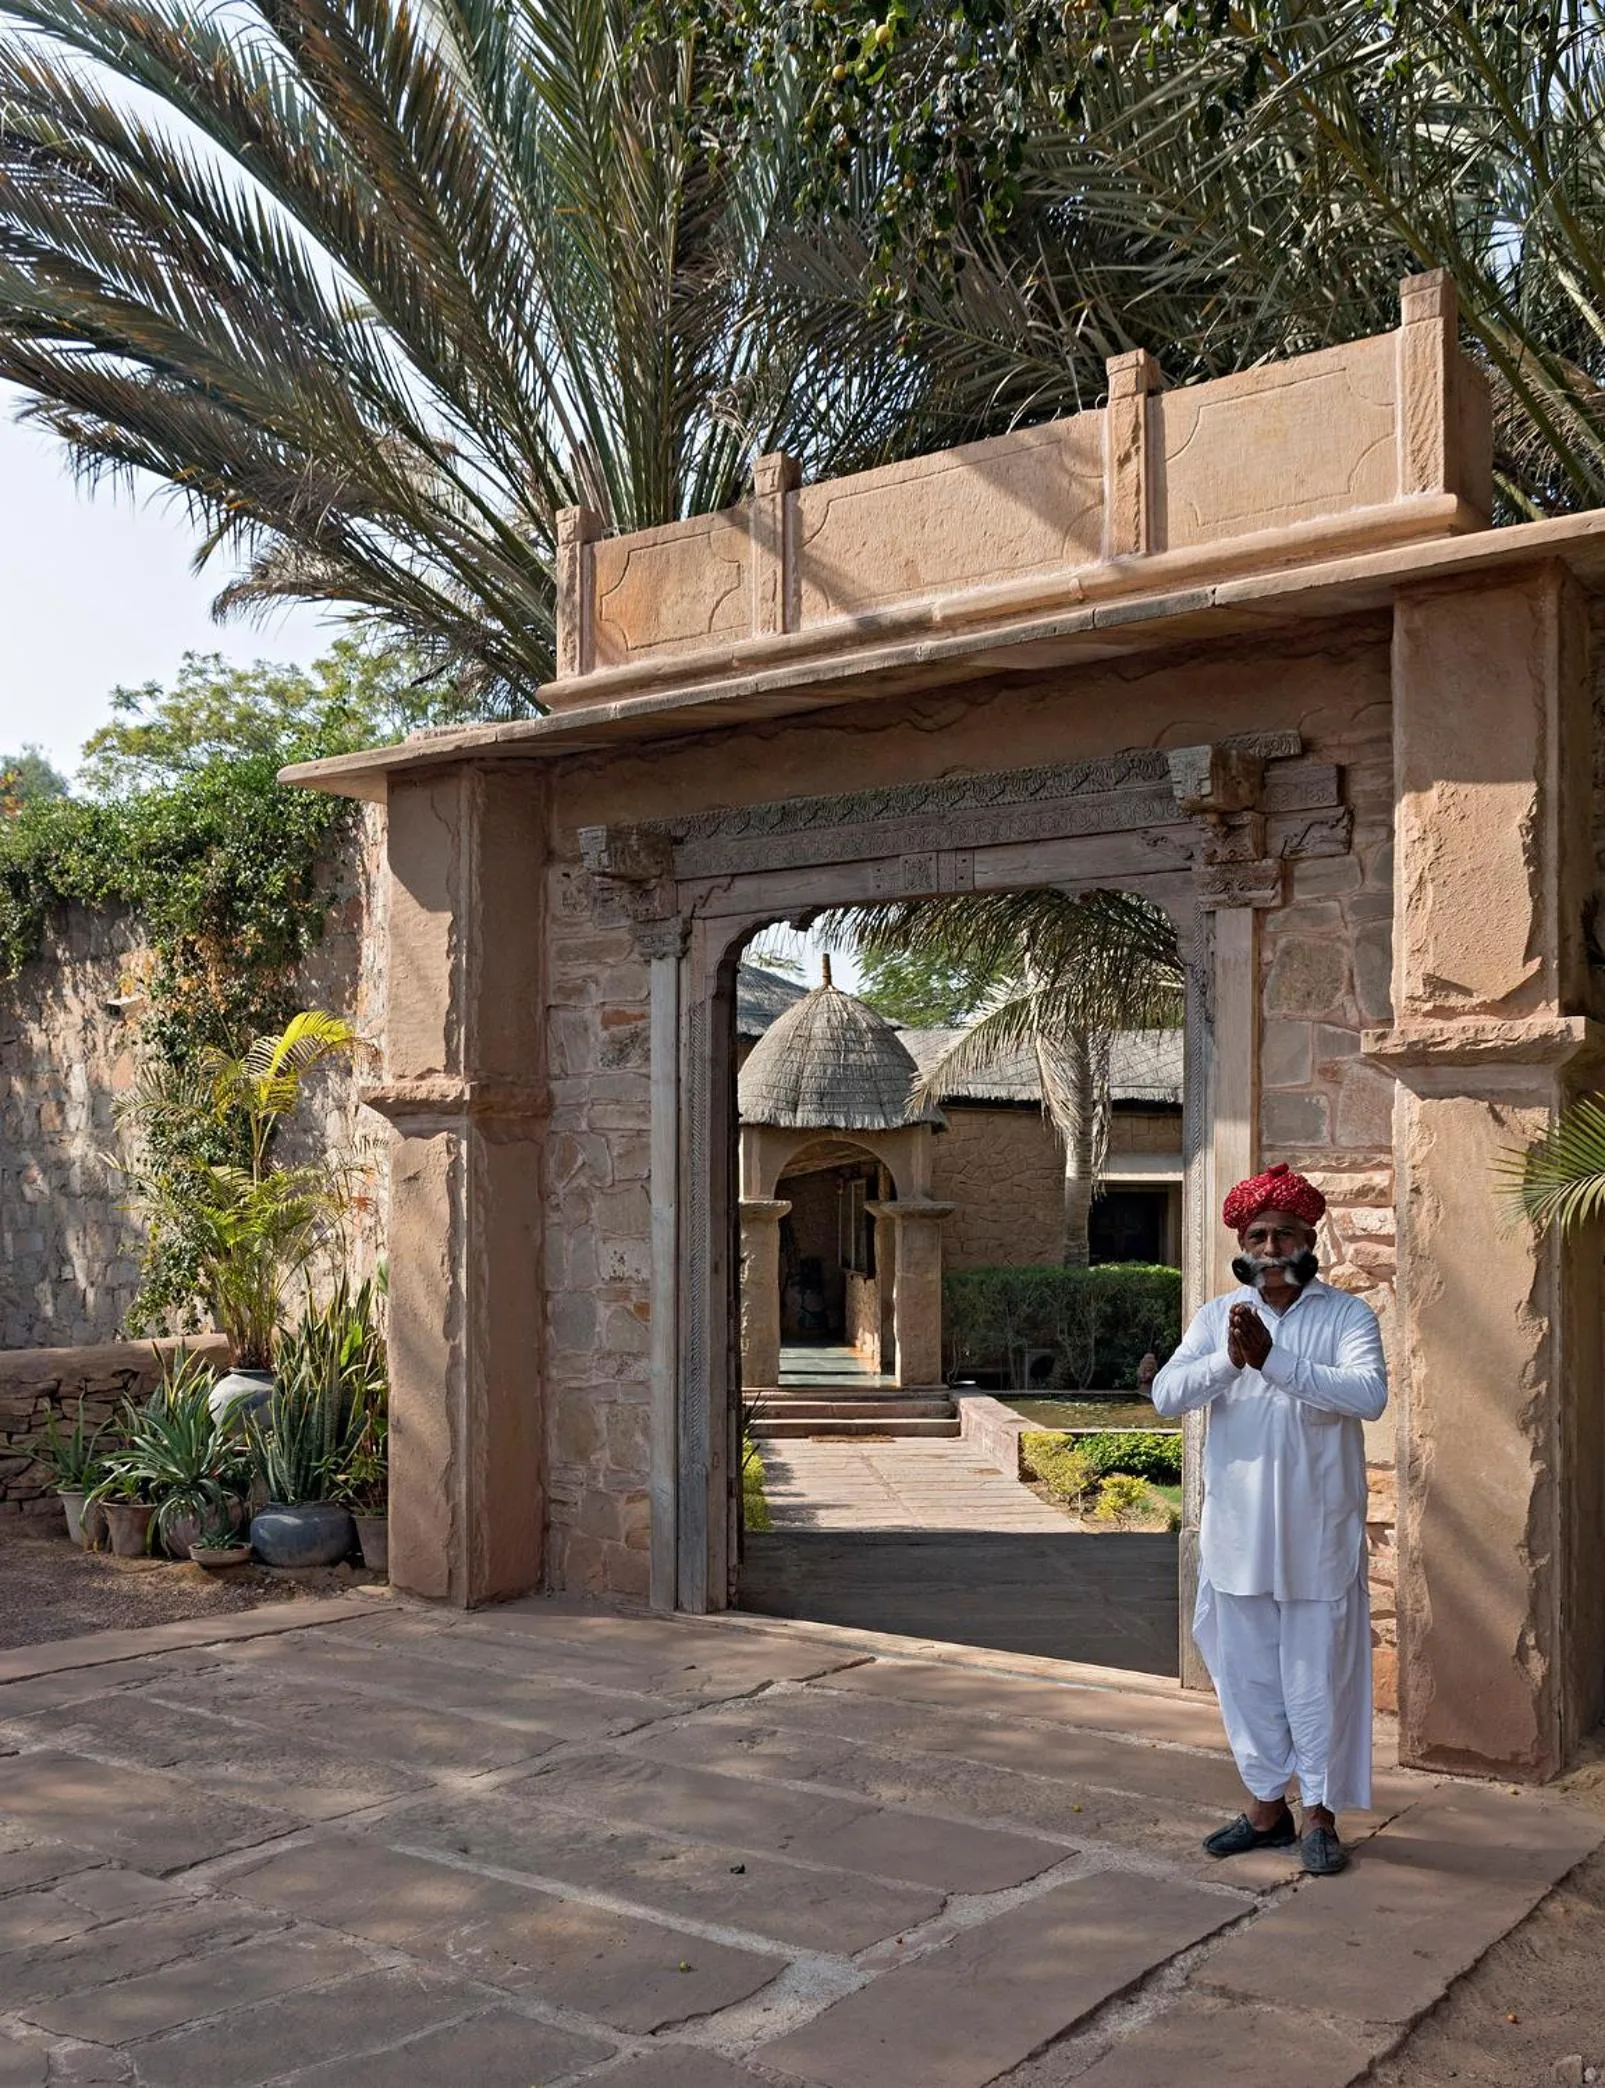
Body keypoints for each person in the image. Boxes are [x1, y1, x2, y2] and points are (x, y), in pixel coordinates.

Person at [1152, 1162, 1387, 1876]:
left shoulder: (1346, 1316)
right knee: (1247, 1676)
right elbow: (1167, 1395)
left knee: (1318, 1680)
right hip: (1239, 1537)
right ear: (1241, 1244)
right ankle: (1265, 1808)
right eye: (1258, 1235)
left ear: (1309, 1239)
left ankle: (1318, 1813)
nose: (1271, 1247)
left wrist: (1274, 1361)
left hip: (1318, 1538)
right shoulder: (1215, 1317)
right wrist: (1230, 1360)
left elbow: (1368, 1396)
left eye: (1285, 1233)